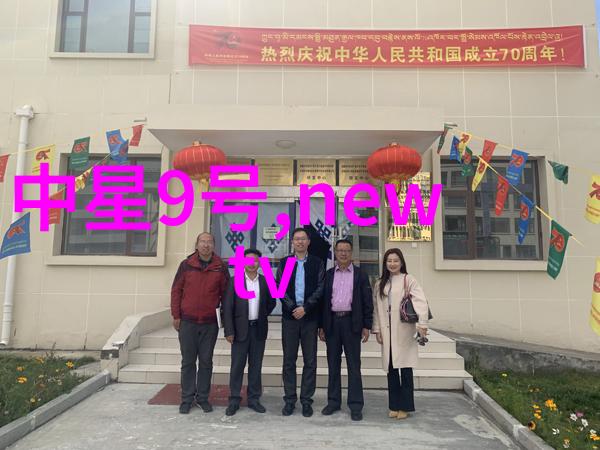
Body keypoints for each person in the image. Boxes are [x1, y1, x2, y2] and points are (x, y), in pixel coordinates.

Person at [171, 232, 230, 414]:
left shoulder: (220, 267)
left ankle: (203, 397)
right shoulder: (186, 265)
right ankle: (187, 398)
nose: (206, 245)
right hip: (187, 322)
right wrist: (176, 315)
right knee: (188, 362)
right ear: (197, 245)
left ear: (214, 245)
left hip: (209, 324)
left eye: (209, 242)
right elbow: (176, 291)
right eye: (203, 242)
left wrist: (225, 321)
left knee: (206, 362)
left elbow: (226, 295)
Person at [371, 248, 429, 419]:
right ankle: (394, 405)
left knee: (405, 368)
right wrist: (377, 329)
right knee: (391, 369)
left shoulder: (408, 280)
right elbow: (376, 308)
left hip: (404, 330)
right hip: (387, 329)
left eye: (396, 260)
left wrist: (422, 323)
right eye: (389, 261)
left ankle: (405, 406)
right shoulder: (380, 283)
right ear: (385, 263)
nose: (392, 264)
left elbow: (420, 301)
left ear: (401, 262)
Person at [319, 239, 373, 421]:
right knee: (333, 365)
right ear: (335, 253)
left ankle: (356, 405)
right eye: (340, 250)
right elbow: (323, 302)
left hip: (352, 323)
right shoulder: (328, 274)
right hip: (332, 323)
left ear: (351, 253)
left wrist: (367, 325)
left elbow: (367, 301)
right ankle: (333, 402)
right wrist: (321, 326)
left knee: (354, 366)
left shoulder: (360, 275)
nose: (343, 253)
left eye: (346, 250)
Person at [276, 227, 325, 417]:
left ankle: (306, 400)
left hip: (310, 318)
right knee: (289, 361)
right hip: (290, 319)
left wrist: (306, 308)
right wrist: (292, 308)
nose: (300, 242)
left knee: (310, 361)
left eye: (303, 239)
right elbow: (280, 288)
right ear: (292, 242)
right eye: (296, 239)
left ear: (308, 242)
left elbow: (321, 288)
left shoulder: (316, 263)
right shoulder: (285, 263)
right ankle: (289, 400)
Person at [222, 248, 276, 416]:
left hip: (258, 329)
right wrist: (229, 330)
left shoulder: (266, 281)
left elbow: (271, 303)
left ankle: (254, 399)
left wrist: (261, 315)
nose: (251, 263)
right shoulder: (234, 281)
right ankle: (234, 399)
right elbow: (227, 307)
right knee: (237, 366)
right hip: (239, 331)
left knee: (256, 366)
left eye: (255, 260)